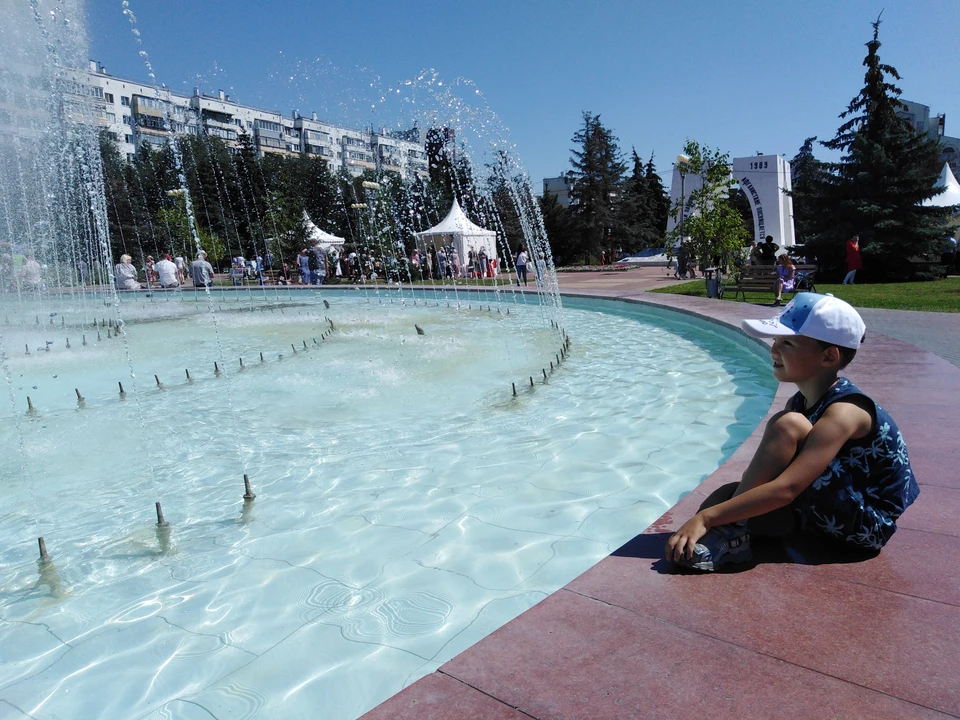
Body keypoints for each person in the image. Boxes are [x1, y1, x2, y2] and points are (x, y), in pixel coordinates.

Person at [666, 293, 918, 571]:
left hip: (862, 528)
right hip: (821, 513)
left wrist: (707, 519)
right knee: (729, 494)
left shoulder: (845, 412)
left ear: (828, 356)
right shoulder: (799, 402)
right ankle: (731, 534)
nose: (773, 350)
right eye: (775, 341)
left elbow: (788, 488)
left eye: (787, 343)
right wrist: (719, 510)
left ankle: (732, 533)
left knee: (788, 426)